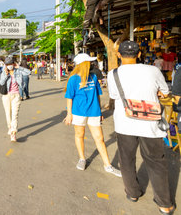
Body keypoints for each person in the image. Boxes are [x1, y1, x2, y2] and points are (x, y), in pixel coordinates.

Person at [107, 41, 175, 214]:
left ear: (119, 55)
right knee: (157, 162)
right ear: (138, 55)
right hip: (150, 124)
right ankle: (165, 204)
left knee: (127, 160)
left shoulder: (113, 74)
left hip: (125, 124)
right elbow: (165, 92)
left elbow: (114, 96)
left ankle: (133, 193)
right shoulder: (153, 70)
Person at [63, 53, 121, 177]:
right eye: (88, 62)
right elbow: (69, 97)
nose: (91, 64)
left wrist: (99, 112)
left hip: (93, 111)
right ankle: (82, 158)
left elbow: (98, 95)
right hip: (78, 112)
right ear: (83, 64)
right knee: (80, 134)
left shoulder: (93, 77)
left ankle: (108, 165)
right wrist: (69, 114)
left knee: (99, 138)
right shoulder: (73, 79)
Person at [0, 57, 30, 142]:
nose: (9, 66)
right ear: (6, 65)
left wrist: (18, 67)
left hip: (16, 95)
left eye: (10, 64)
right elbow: (1, 83)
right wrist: (5, 74)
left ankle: (13, 133)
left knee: (15, 115)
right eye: (7, 64)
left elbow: (28, 72)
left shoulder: (18, 71)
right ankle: (10, 127)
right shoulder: (4, 72)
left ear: (13, 64)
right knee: (8, 114)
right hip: (6, 96)